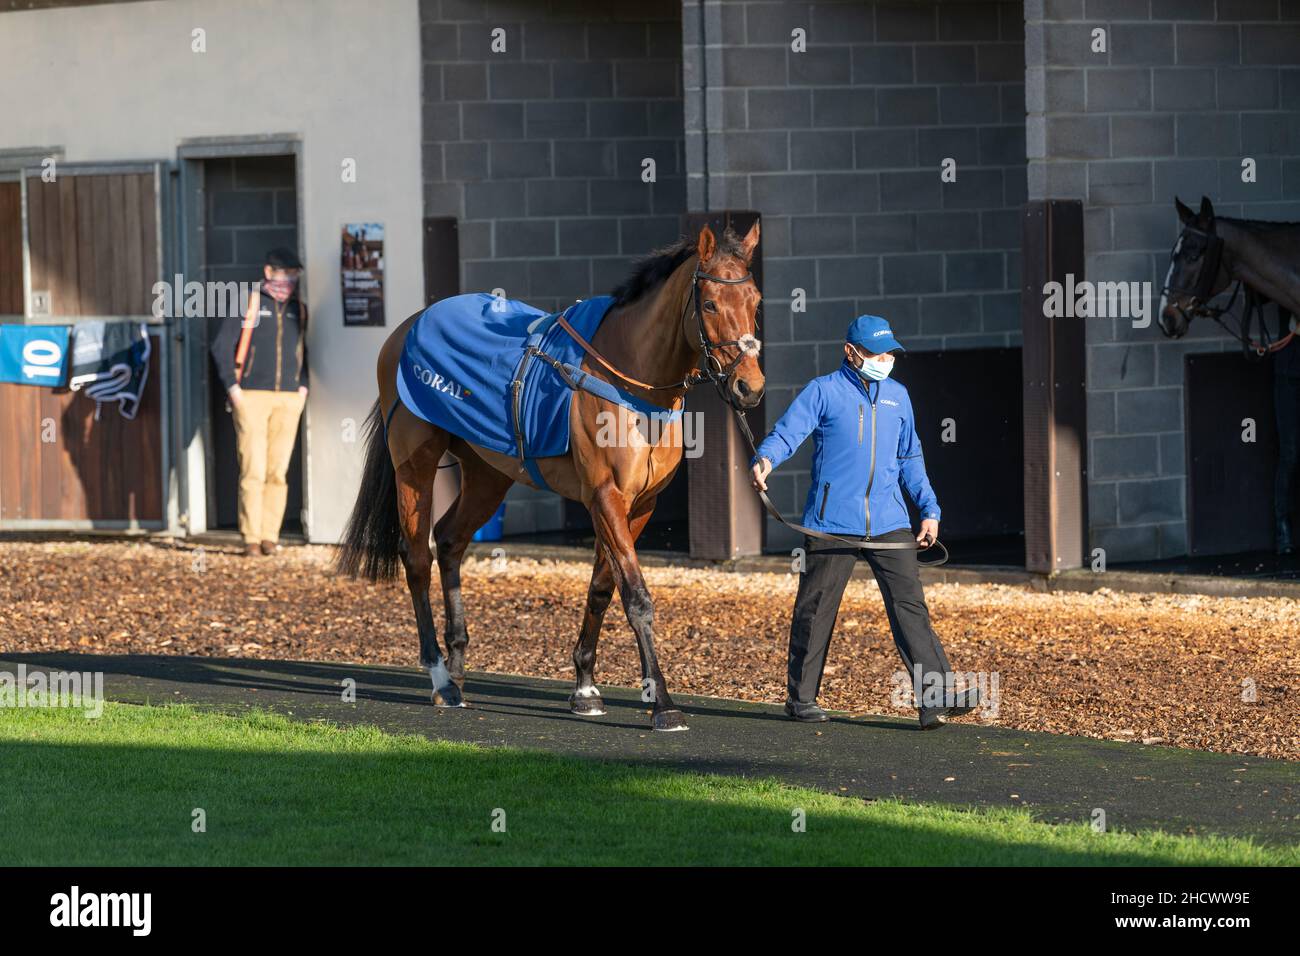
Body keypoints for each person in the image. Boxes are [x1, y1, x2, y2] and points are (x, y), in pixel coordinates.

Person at [750, 315, 980, 729]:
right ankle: (801, 700)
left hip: (890, 520)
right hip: (831, 521)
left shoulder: (899, 396)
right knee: (816, 609)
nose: (884, 359)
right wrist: (765, 459)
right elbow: (788, 433)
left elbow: (911, 457)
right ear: (851, 352)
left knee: (910, 606)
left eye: (888, 353)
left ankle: (934, 700)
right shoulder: (823, 391)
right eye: (875, 353)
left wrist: (929, 509)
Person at [210, 247, 309, 557]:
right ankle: (251, 537)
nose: (290, 280)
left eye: (294, 275)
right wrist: (233, 387)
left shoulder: (298, 308)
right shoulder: (249, 303)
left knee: (278, 470)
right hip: (250, 396)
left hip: (289, 398)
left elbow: (303, 350)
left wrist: (302, 386)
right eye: (286, 274)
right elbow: (221, 346)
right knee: (253, 468)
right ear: (269, 273)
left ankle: (270, 535)